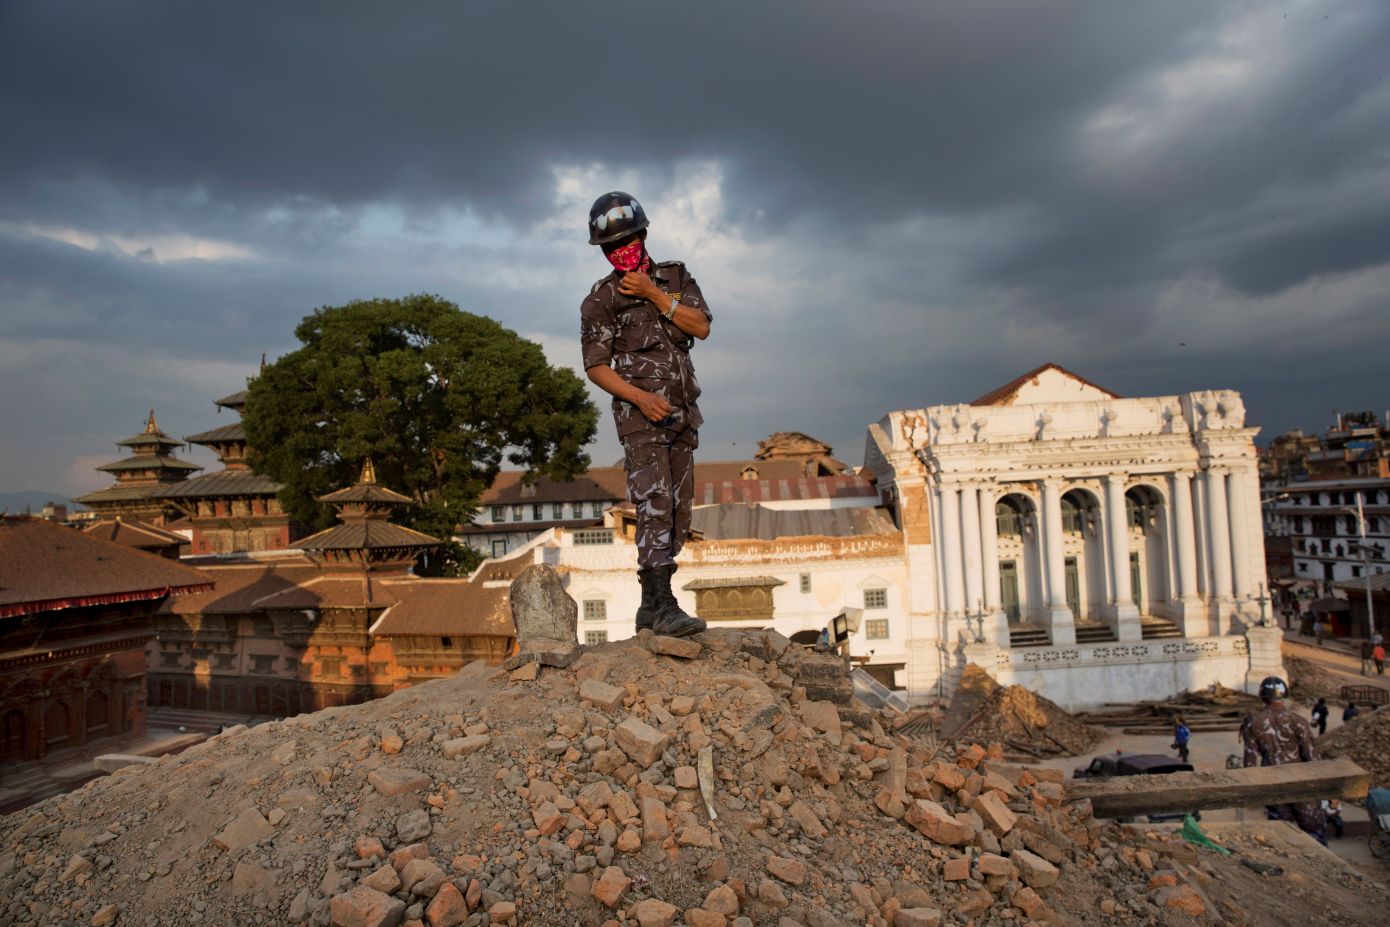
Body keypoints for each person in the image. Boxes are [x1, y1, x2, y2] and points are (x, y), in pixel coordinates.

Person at [579, 191, 711, 639]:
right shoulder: (600, 300)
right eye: (612, 247)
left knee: (678, 510)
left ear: (644, 234)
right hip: (642, 420)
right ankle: (662, 604)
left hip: (683, 415)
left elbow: (702, 326)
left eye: (629, 241)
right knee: (653, 504)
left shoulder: (675, 276)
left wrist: (655, 294)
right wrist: (638, 397)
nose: (622, 251)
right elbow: (595, 366)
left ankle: (652, 605)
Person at [1242, 675, 1327, 845]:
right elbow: (1313, 758)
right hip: (1303, 785)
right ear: (1285, 695)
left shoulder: (1252, 724)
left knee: (1283, 837)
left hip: (1274, 787)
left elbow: (1249, 765)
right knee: (1314, 835)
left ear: (1262, 696)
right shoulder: (1298, 721)